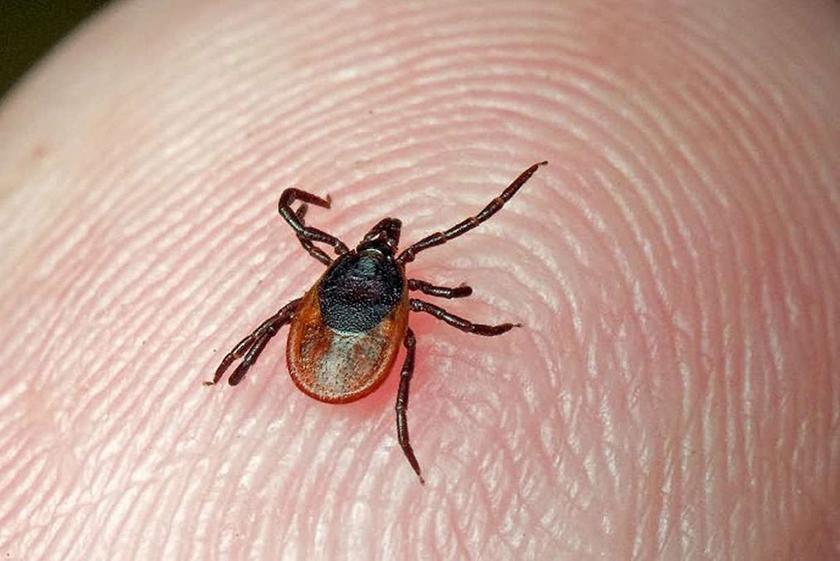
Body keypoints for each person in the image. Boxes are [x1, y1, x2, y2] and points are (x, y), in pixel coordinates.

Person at [0, 1, 837, 558]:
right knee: (392, 352)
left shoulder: (335, 274)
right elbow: (415, 273)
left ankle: (250, 372)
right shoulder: (398, 288)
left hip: (325, 341)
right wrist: (465, 308)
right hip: (343, 346)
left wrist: (329, 254)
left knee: (295, 325)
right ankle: (306, 392)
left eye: (378, 252)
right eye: (375, 251)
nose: (380, 248)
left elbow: (293, 217)